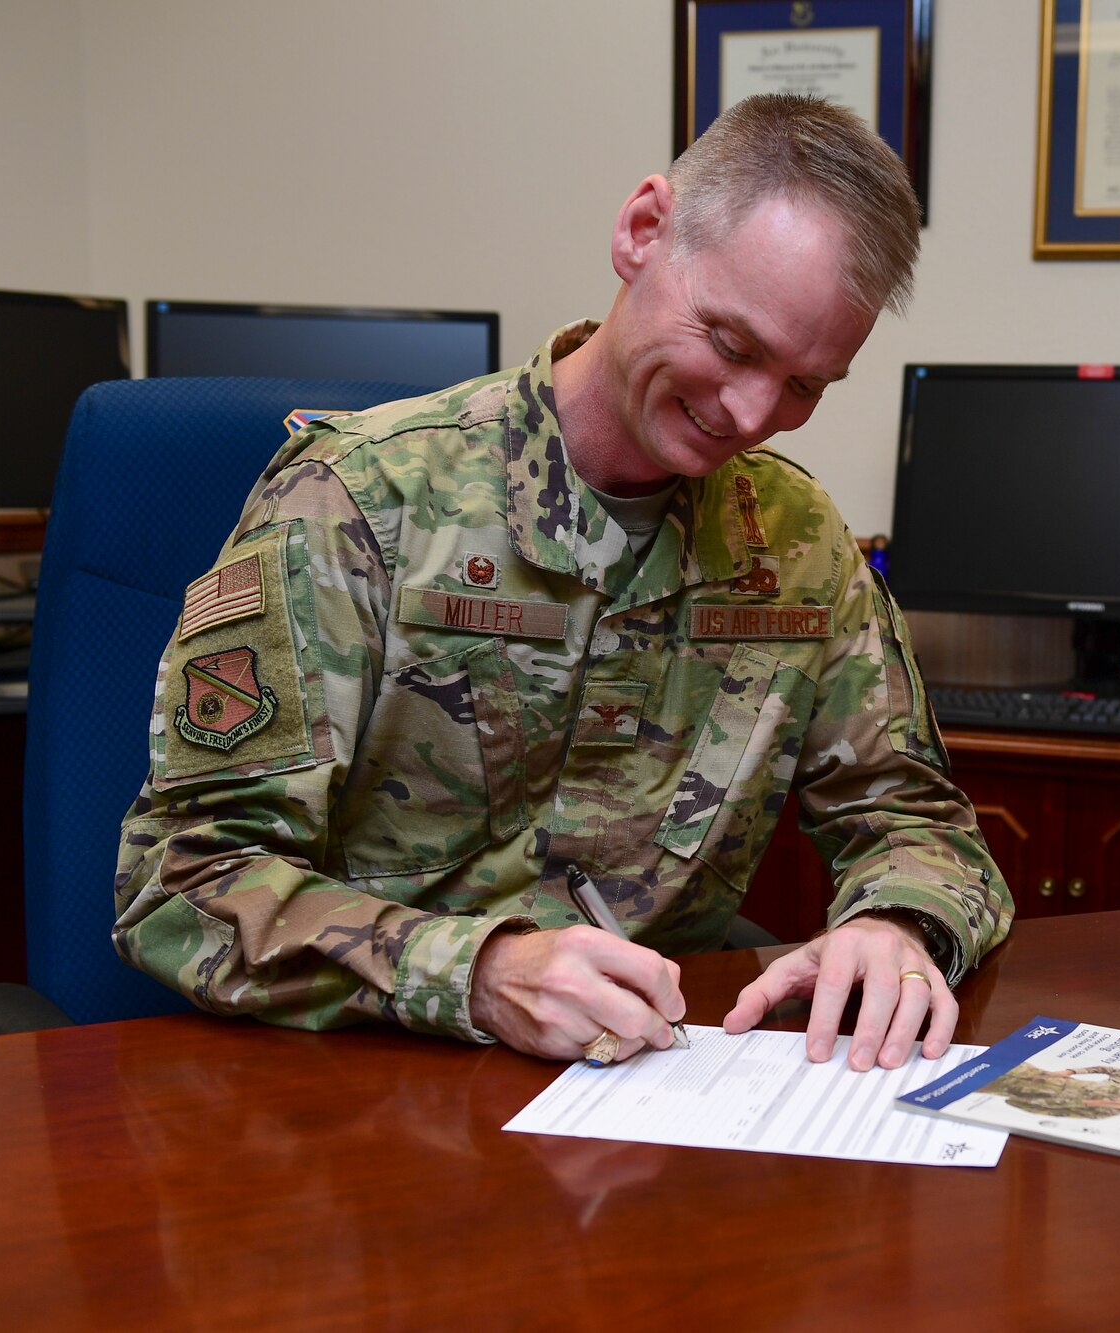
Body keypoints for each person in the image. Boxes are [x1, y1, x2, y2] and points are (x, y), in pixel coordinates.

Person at [113, 94, 1012, 1074]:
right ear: (641, 231)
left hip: (661, 1096)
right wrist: (475, 971)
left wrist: (897, 925)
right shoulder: (361, 503)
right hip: (374, 1095)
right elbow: (186, 883)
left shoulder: (795, 542)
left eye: (805, 384)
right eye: (732, 344)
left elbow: (915, 821)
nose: (753, 412)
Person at [984, 1065, 1120, 1122]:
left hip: (1005, 1089)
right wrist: (1069, 1072)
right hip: (1029, 1072)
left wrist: (1017, 1099)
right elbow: (1112, 1070)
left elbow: (1049, 1112)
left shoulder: (1102, 1114)